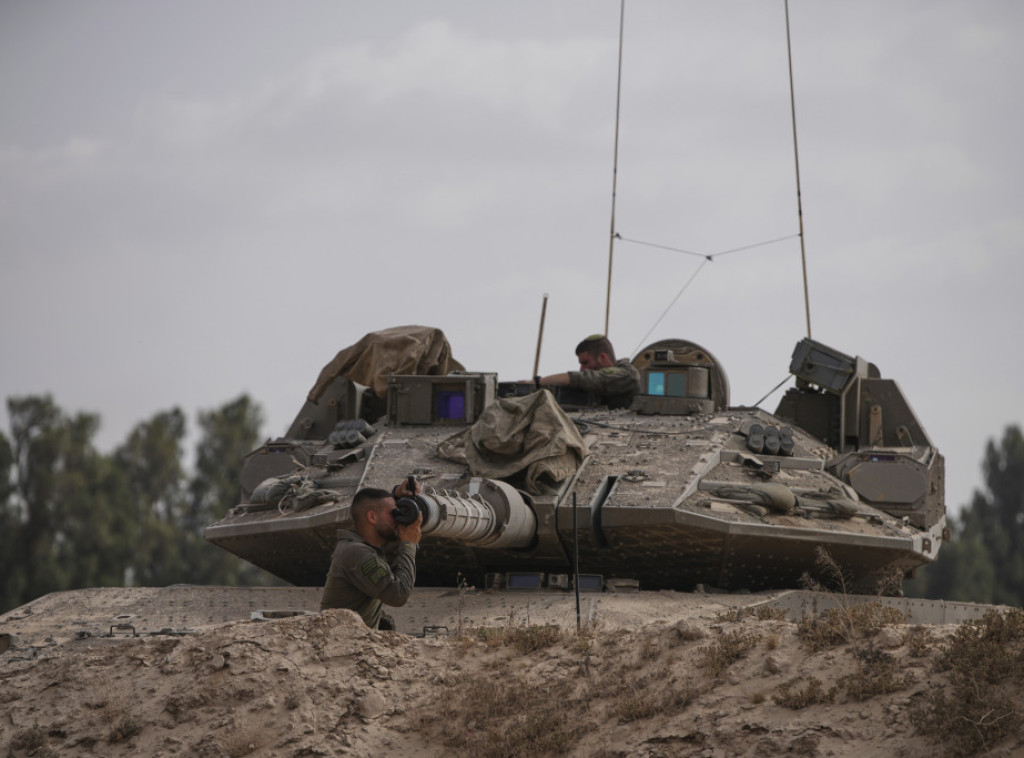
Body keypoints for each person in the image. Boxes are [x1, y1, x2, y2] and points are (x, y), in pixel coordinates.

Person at [320, 480, 423, 629]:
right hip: (341, 640)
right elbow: (398, 595)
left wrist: (398, 496)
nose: (398, 519)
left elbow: (379, 514)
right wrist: (409, 544)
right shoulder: (356, 553)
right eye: (394, 513)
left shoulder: (360, 545)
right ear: (372, 517)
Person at [532, 334, 641, 410]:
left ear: (602, 357)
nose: (582, 369)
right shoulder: (594, 381)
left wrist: (538, 382)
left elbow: (587, 378)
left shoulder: (627, 375)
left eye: (585, 363)